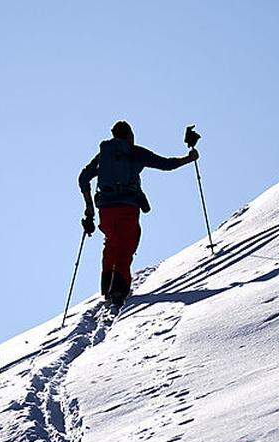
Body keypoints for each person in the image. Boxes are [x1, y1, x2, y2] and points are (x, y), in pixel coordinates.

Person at [78, 120, 198, 308]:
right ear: (129, 136)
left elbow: (83, 178)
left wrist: (89, 209)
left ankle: (107, 285)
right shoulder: (135, 152)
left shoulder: (103, 155)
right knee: (126, 244)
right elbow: (166, 164)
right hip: (127, 207)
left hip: (105, 210)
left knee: (111, 242)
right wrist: (189, 158)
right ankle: (118, 290)